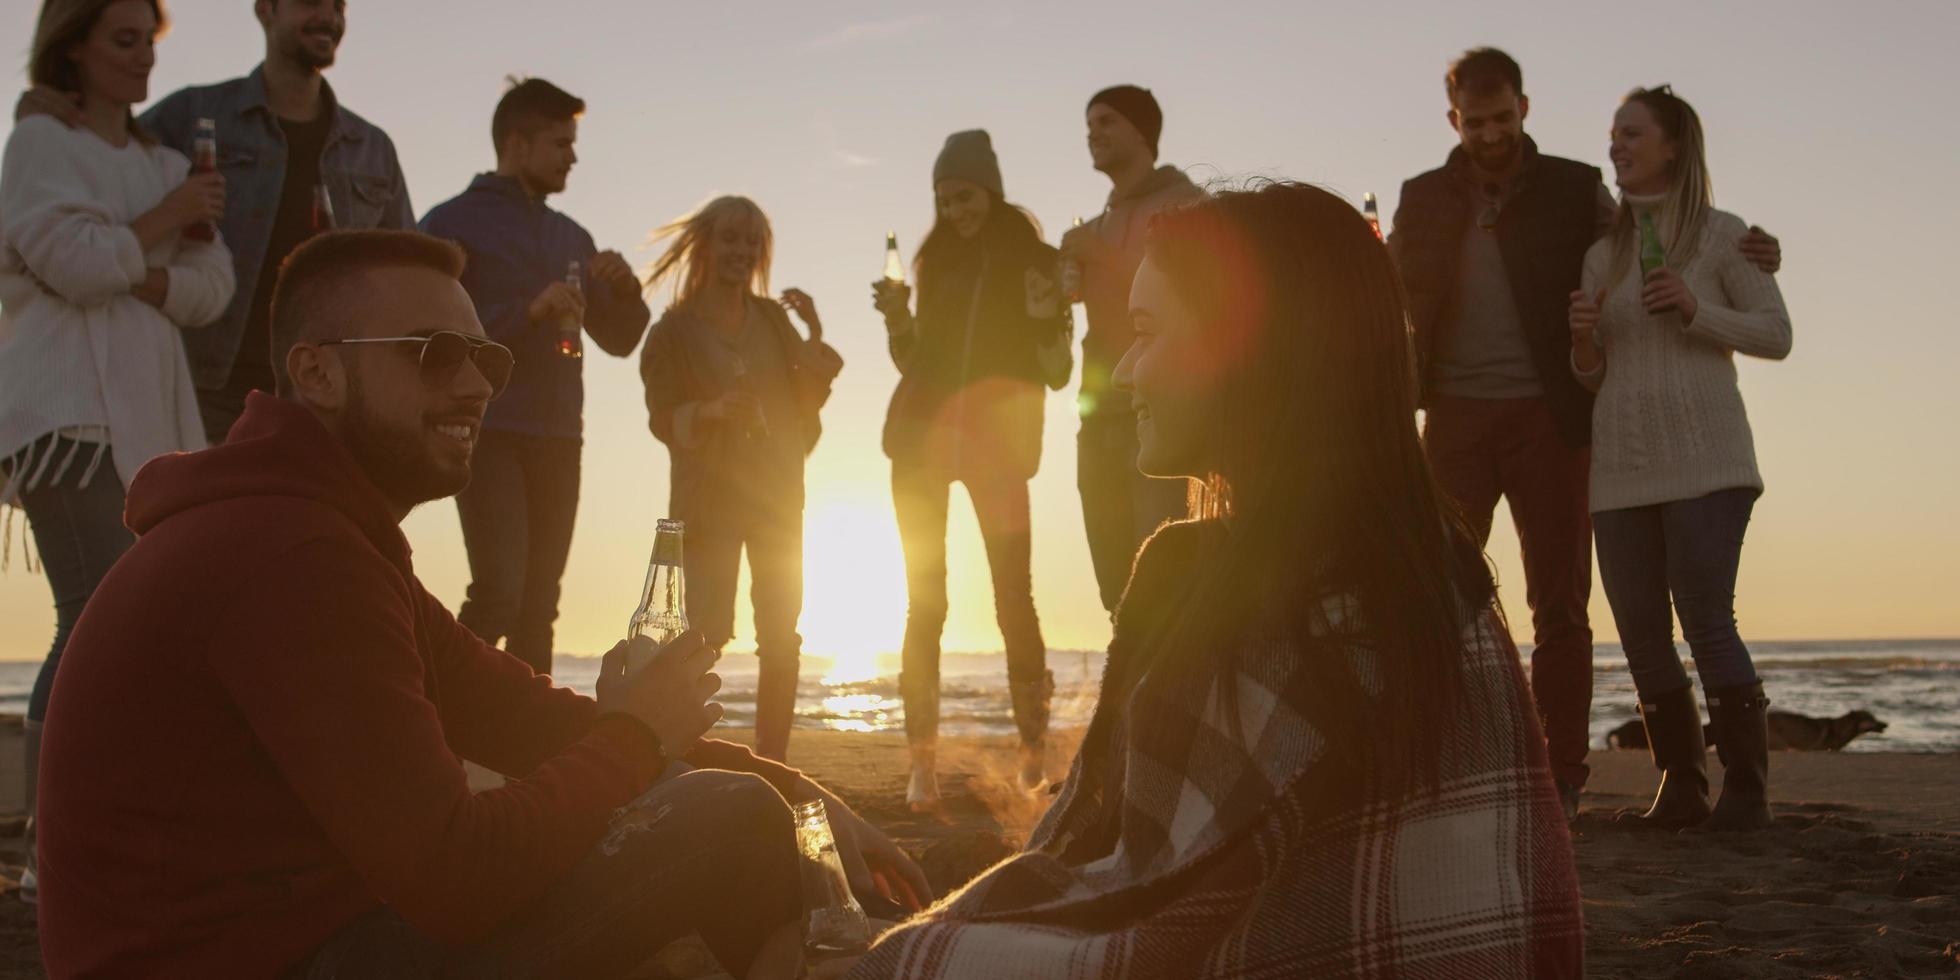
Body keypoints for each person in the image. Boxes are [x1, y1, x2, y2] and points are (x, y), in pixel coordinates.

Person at [34, 230, 924, 978]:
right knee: (723, 826)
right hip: (254, 962)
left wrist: (802, 791)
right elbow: (459, 876)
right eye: (435, 356)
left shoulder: (319, 540)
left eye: (486, 357)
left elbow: (536, 720)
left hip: (296, 942)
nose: (477, 386)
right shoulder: (288, 555)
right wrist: (636, 737)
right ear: (317, 372)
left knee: (740, 815)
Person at [846, 183, 1584, 979]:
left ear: (1252, 352)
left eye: (1145, 332)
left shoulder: (1226, 584)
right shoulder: (1434, 572)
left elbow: (1146, 897)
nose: (1125, 372)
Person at [1386, 48, 1780, 820]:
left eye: (1504, 118)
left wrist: (1753, 252)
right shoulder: (1423, 197)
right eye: (1476, 122)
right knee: (1432, 597)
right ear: (1453, 119)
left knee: (1561, 607)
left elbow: (1656, 234)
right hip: (1454, 418)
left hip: (1553, 419)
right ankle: (1440, 765)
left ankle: (1561, 777)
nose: (1492, 133)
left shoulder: (1575, 188)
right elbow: (1391, 284)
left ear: (1525, 109)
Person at [0, 0, 235, 904]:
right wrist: (163, 225)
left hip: (155, 419)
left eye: (150, 41)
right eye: (122, 40)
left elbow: (212, 289)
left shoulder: (167, 160)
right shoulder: (40, 148)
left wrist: (125, 260)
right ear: (74, 48)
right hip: (66, 411)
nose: (142, 60)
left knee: (139, 624)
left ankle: (110, 834)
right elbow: (69, 265)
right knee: (90, 613)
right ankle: (48, 848)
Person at [16, 0, 415, 446]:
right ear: (266, 10)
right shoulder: (190, 115)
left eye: (338, 6)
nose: (328, 17)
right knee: (193, 516)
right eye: (309, 3)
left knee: (307, 518)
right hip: (207, 388)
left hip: (326, 391)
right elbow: (100, 167)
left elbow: (406, 276)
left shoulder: (373, 148)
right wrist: (42, 106)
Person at [1569, 86, 1792, 832]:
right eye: (1613, 135)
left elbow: (1775, 333)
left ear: (1673, 145)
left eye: (1631, 133)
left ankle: (1749, 791)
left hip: (1707, 458)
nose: (1617, 145)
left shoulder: (1724, 236)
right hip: (1621, 469)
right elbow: (1594, 375)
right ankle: (1681, 784)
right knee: (1636, 625)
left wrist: (1700, 312)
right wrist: (1582, 340)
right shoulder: (1606, 252)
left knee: (1703, 615)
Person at [419, 77, 651, 677]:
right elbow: (427, 335)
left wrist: (627, 291)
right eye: (560, 143)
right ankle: (432, 713)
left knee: (539, 606)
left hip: (559, 436)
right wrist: (526, 312)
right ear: (517, 144)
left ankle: (527, 745)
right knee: (499, 590)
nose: (573, 156)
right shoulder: (451, 224)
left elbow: (621, 340)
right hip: (485, 429)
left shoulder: (571, 235)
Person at [870, 130, 1070, 806]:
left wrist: (1046, 321)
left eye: (964, 196)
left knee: (1014, 596)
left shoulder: (1035, 261)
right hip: (921, 440)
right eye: (943, 200)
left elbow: (1060, 369)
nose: (954, 212)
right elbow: (916, 362)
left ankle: (1033, 757)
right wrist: (899, 323)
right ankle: (920, 762)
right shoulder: (935, 264)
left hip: (996, 447)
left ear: (991, 189)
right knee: (925, 601)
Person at [640, 197, 843, 763]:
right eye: (730, 239)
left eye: (752, 243)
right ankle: (683, 753)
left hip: (778, 496)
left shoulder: (774, 320)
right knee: (704, 633)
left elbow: (806, 408)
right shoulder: (674, 331)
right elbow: (661, 417)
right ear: (704, 245)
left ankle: (773, 762)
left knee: (782, 638)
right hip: (708, 501)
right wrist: (708, 411)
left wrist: (815, 332)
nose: (741, 253)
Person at [1058, 85, 1202, 616]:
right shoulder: (1099, 220)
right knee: (1114, 587)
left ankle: (1179, 694)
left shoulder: (1185, 203)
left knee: (1163, 577)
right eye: (1089, 124)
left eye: (1106, 121)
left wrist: (1100, 256)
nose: (1092, 133)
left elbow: (1195, 294)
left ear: (1142, 132)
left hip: (1161, 410)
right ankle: (1131, 697)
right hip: (1097, 414)